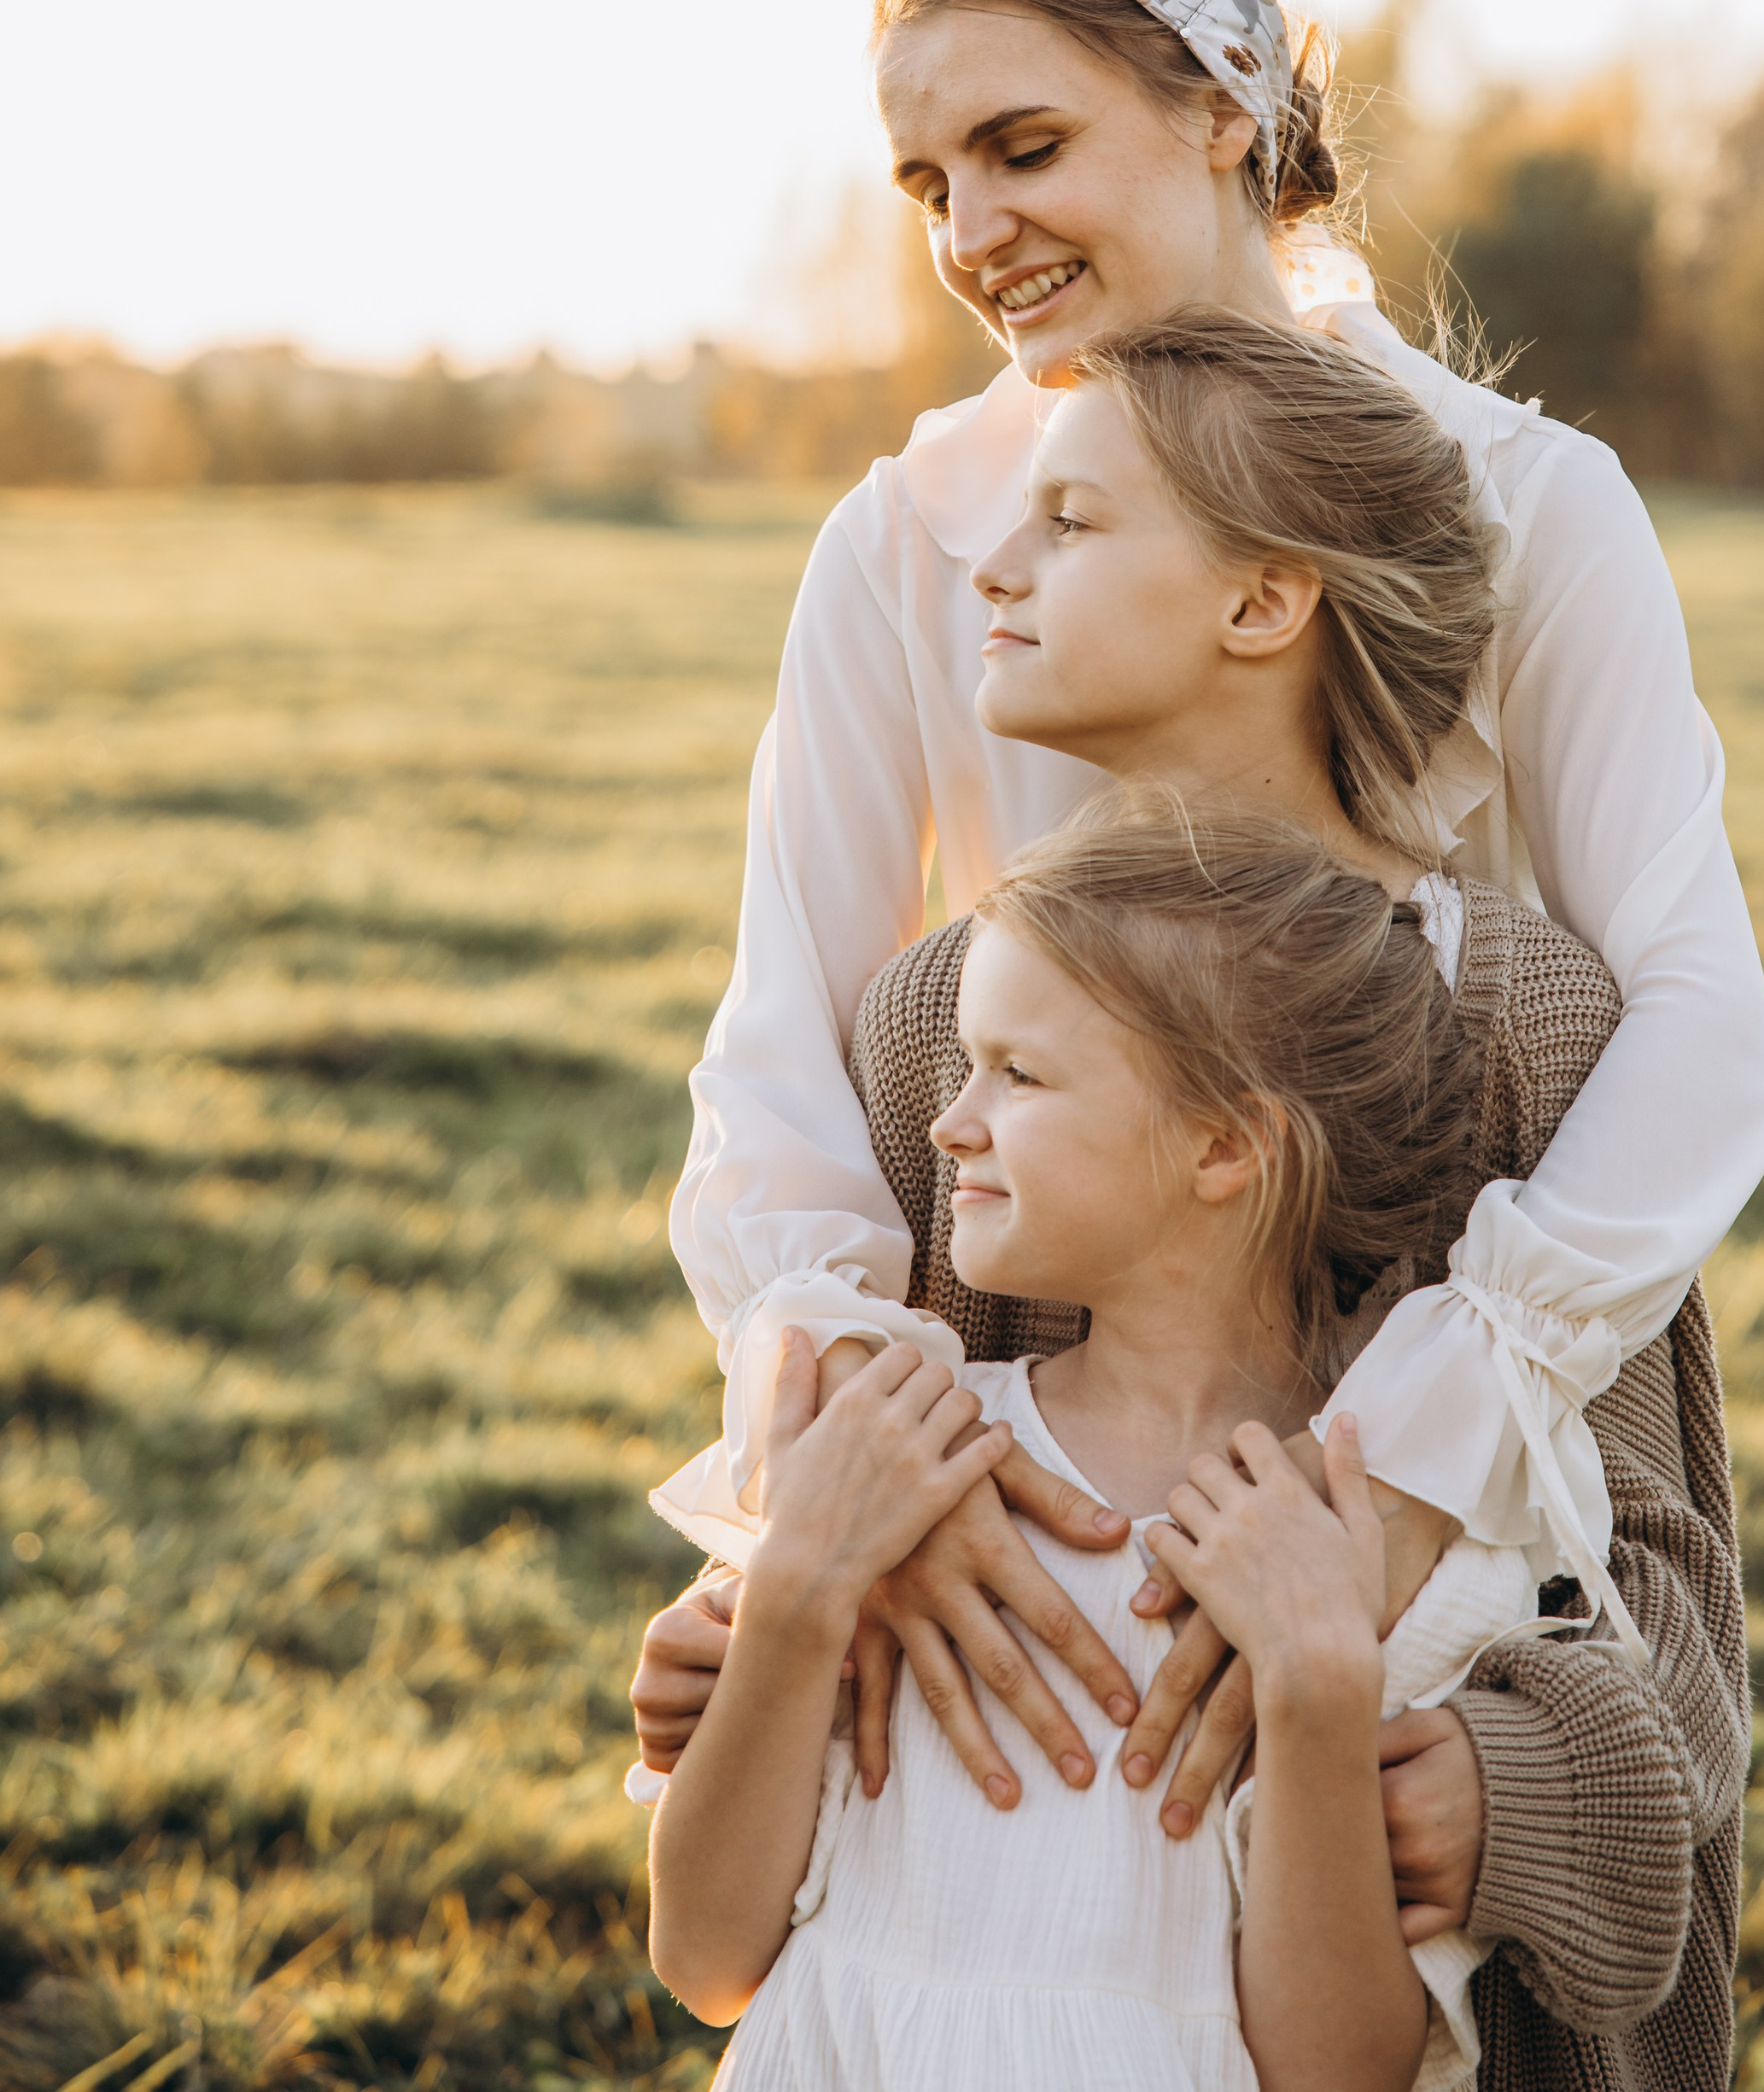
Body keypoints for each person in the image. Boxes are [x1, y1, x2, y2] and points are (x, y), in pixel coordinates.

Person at [640, 0, 1764, 1900]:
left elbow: (1687, 1023)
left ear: (1221, 112)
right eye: (925, 186)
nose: (970, 233)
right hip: (1038, 1410)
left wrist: (1425, 1444)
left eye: (1022, 145)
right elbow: (787, 1060)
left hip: (1410, 1386)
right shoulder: (912, 545)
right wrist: (861, 1463)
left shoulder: (1524, 505)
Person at [646, 791, 1527, 2092]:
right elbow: (706, 1957)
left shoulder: (1372, 1531)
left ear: (1224, 1145)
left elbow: (1340, 2072)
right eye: (965, 1065)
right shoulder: (906, 1466)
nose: (949, 1123)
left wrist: (1318, 1680)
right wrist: (799, 1591)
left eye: (1018, 1073)